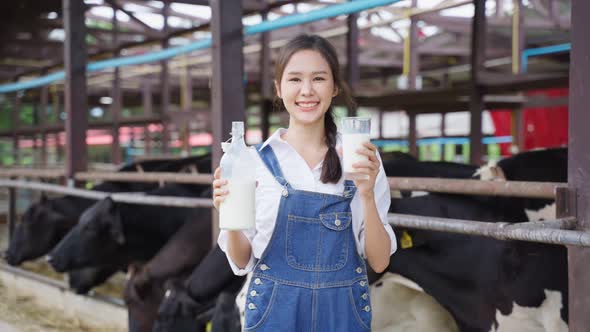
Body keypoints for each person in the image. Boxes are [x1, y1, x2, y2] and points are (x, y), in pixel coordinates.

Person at [212, 34, 396, 331]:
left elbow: (379, 262)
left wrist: (366, 195)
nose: (307, 91)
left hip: (341, 317)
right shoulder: (252, 162)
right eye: (295, 79)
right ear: (279, 88)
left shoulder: (359, 160)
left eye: (319, 79)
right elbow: (241, 259)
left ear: (334, 87)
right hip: (275, 315)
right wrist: (229, 215)